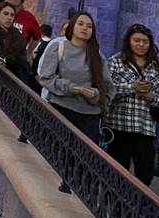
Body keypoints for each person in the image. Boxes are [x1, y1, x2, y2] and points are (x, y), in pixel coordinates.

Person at [106, 23, 159, 185]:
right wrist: (132, 87)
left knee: (145, 177)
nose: (141, 44)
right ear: (129, 41)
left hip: (146, 130)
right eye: (136, 40)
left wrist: (152, 98)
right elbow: (106, 90)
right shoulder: (115, 62)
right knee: (115, 176)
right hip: (119, 127)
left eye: (145, 41)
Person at [36, 11, 109, 143]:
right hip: (60, 110)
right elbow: (46, 77)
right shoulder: (58, 46)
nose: (84, 28)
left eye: (89, 26)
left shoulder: (98, 56)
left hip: (89, 117)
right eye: (80, 24)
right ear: (72, 26)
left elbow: (108, 87)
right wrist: (72, 88)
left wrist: (95, 94)